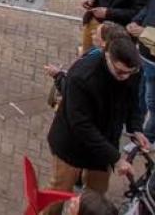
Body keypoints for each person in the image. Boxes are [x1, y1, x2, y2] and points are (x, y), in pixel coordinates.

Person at [46, 36, 148, 213]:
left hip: (104, 145)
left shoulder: (133, 70)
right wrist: (116, 159)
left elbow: (133, 102)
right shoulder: (82, 76)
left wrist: (136, 129)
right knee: (58, 192)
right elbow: (81, 125)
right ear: (107, 55)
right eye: (120, 72)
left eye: (129, 73)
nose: (125, 77)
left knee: (96, 197)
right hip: (72, 145)